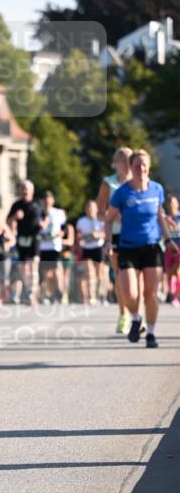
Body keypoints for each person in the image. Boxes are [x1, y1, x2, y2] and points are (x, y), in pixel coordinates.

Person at [106, 149, 179, 348]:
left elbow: (159, 216)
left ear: (149, 167)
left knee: (150, 293)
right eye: (137, 165)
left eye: (144, 165)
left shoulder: (157, 189)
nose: (142, 169)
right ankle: (136, 318)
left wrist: (169, 240)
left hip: (152, 246)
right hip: (128, 247)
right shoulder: (122, 192)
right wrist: (107, 241)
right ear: (131, 167)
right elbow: (108, 218)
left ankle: (152, 333)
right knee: (129, 292)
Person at [97, 147, 133, 332]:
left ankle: (137, 314)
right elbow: (99, 213)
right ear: (115, 162)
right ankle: (123, 314)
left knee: (137, 277)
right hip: (116, 234)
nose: (125, 163)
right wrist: (113, 215)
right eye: (121, 159)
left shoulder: (138, 183)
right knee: (120, 275)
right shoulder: (108, 183)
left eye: (128, 159)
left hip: (137, 234)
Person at [6, 179, 43, 304]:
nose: (24, 191)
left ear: (32, 191)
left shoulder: (38, 203)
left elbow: (46, 217)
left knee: (34, 265)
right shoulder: (16, 205)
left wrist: (44, 224)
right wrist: (15, 217)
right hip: (21, 238)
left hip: (35, 238)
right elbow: (8, 222)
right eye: (22, 189)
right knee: (23, 269)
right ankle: (27, 291)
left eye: (27, 189)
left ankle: (31, 293)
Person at [38, 191, 68, 304]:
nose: (47, 201)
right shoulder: (39, 212)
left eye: (49, 199)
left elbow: (65, 227)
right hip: (43, 246)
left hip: (55, 246)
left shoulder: (58, 213)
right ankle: (47, 294)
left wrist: (61, 233)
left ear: (53, 200)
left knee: (56, 271)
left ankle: (60, 292)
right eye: (45, 199)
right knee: (45, 273)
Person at [75, 199, 106, 305]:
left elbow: (106, 234)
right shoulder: (81, 221)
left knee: (99, 274)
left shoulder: (101, 220)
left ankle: (101, 294)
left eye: (92, 207)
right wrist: (81, 238)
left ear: (96, 209)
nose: (90, 210)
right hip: (87, 248)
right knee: (89, 273)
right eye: (88, 207)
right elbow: (78, 236)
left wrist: (97, 235)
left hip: (98, 247)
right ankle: (91, 295)